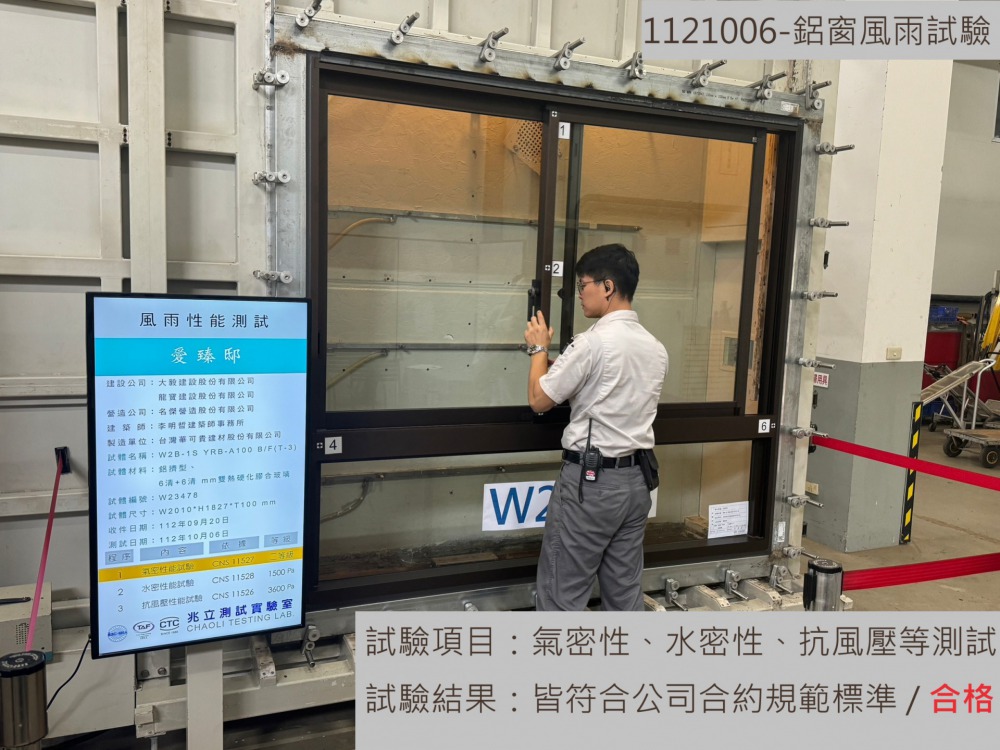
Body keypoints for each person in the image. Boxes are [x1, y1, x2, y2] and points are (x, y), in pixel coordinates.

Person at [524, 243, 668, 611]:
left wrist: (538, 350)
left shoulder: (592, 343)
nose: (579, 294)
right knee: (624, 595)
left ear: (607, 287)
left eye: (582, 285)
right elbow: (606, 391)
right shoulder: (655, 348)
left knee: (562, 595)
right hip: (636, 483)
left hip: (592, 485)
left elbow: (539, 400)